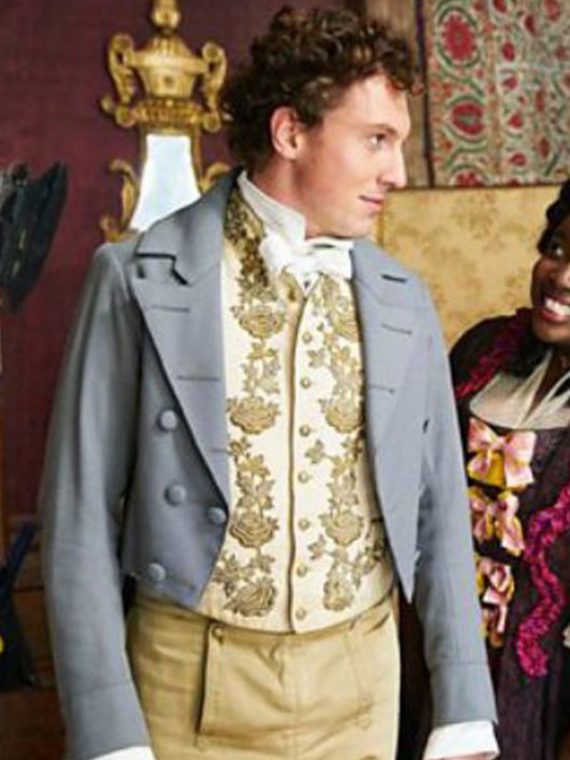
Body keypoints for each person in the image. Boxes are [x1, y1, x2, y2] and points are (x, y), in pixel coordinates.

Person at [40, 7, 497, 760]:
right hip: (186, 691)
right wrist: (108, 735)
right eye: (376, 140)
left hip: (363, 689)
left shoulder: (404, 298)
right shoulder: (134, 279)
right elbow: (78, 517)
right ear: (290, 133)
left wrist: (463, 707)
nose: (397, 173)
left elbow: (441, 509)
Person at [451, 180, 570, 760]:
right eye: (557, 248)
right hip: (436, 658)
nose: (561, 277)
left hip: (540, 694)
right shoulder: (482, 350)